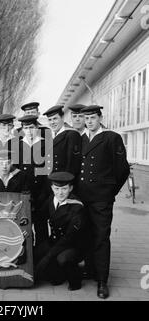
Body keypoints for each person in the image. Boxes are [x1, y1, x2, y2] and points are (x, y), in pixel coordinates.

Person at [77, 105, 130, 299]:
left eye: (92, 118)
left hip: (101, 198)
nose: (89, 121)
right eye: (86, 118)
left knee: (101, 237)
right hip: (82, 197)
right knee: (86, 234)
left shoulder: (111, 138)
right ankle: (90, 269)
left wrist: (109, 191)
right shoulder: (81, 139)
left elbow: (122, 169)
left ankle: (102, 280)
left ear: (100, 118)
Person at [33, 172, 85, 291]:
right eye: (56, 188)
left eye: (64, 189)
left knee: (62, 258)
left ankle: (75, 280)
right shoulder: (52, 199)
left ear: (70, 188)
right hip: (56, 241)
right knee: (36, 253)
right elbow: (40, 216)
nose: (60, 193)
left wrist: (47, 257)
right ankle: (58, 274)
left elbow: (68, 238)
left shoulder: (77, 207)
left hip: (73, 245)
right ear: (52, 188)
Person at [16, 115, 51, 216]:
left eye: (31, 127)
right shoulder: (18, 145)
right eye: (26, 128)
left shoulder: (46, 144)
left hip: (41, 190)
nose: (29, 131)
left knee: (41, 222)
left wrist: (45, 192)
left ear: (37, 128)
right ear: (22, 129)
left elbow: (49, 170)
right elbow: (16, 170)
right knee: (24, 222)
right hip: (24, 191)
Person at [43, 105, 82, 177]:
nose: (52, 122)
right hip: (50, 179)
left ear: (62, 117)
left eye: (55, 119)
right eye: (50, 120)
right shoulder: (49, 135)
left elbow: (72, 164)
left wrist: (65, 183)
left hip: (62, 181)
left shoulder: (72, 134)